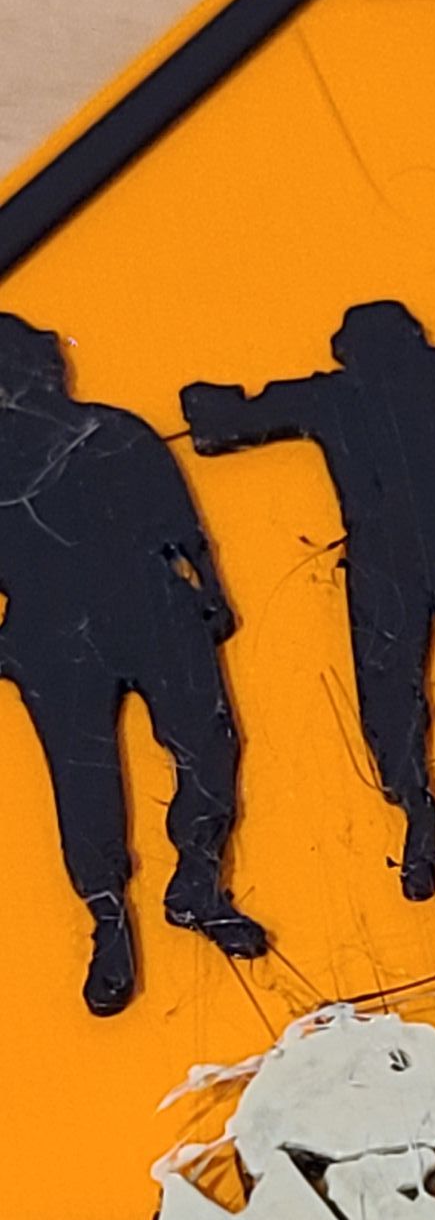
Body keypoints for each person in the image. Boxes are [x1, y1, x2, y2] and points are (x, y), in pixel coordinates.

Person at [182, 301, 435, 907]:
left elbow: (223, 426)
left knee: (405, 691)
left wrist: (206, 404)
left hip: (402, 559)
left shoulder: (338, 394)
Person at [0, 315, 267, 1015]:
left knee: (208, 743)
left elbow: (181, 525)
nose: (40, 375)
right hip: (53, 633)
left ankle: (198, 883)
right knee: (84, 782)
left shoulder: (112, 429)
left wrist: (212, 592)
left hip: (151, 606)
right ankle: (109, 924)